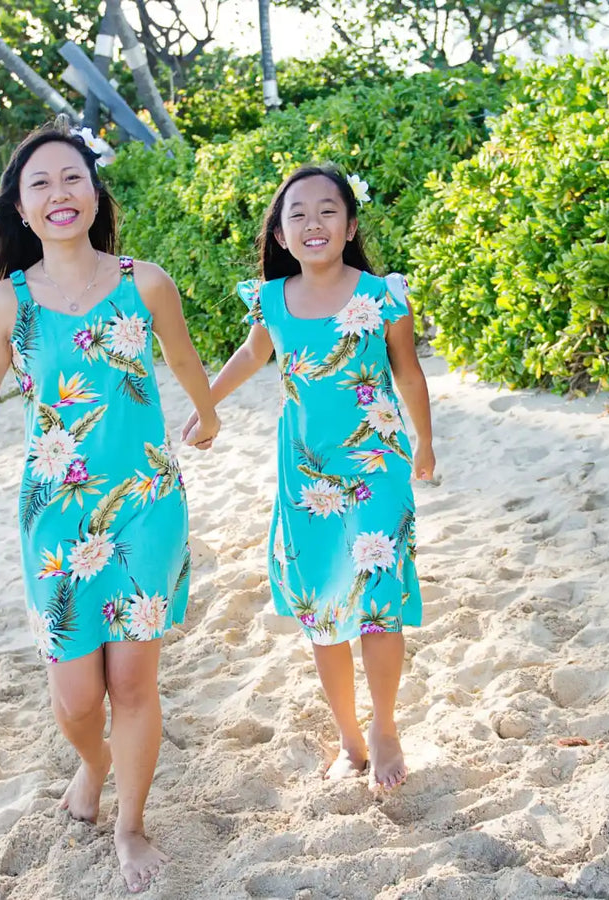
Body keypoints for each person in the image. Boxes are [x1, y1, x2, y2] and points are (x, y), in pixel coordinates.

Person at [0, 123, 220, 892]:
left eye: (72, 178)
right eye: (40, 183)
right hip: (56, 518)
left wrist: (208, 416)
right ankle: (93, 763)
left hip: (148, 503)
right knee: (75, 695)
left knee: (134, 684)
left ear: (95, 191)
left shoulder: (144, 282)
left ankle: (133, 822)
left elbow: (183, 359)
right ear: (18, 206)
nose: (59, 194)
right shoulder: (4, 306)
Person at [182, 164, 435, 790]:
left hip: (377, 463)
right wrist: (205, 406)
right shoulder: (271, 300)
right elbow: (250, 354)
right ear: (281, 233)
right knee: (325, 608)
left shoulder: (383, 295)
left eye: (327, 211)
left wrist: (424, 441)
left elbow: (407, 371)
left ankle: (384, 726)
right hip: (307, 475)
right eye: (296, 214)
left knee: (377, 601)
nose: (312, 223)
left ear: (350, 226)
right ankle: (349, 738)